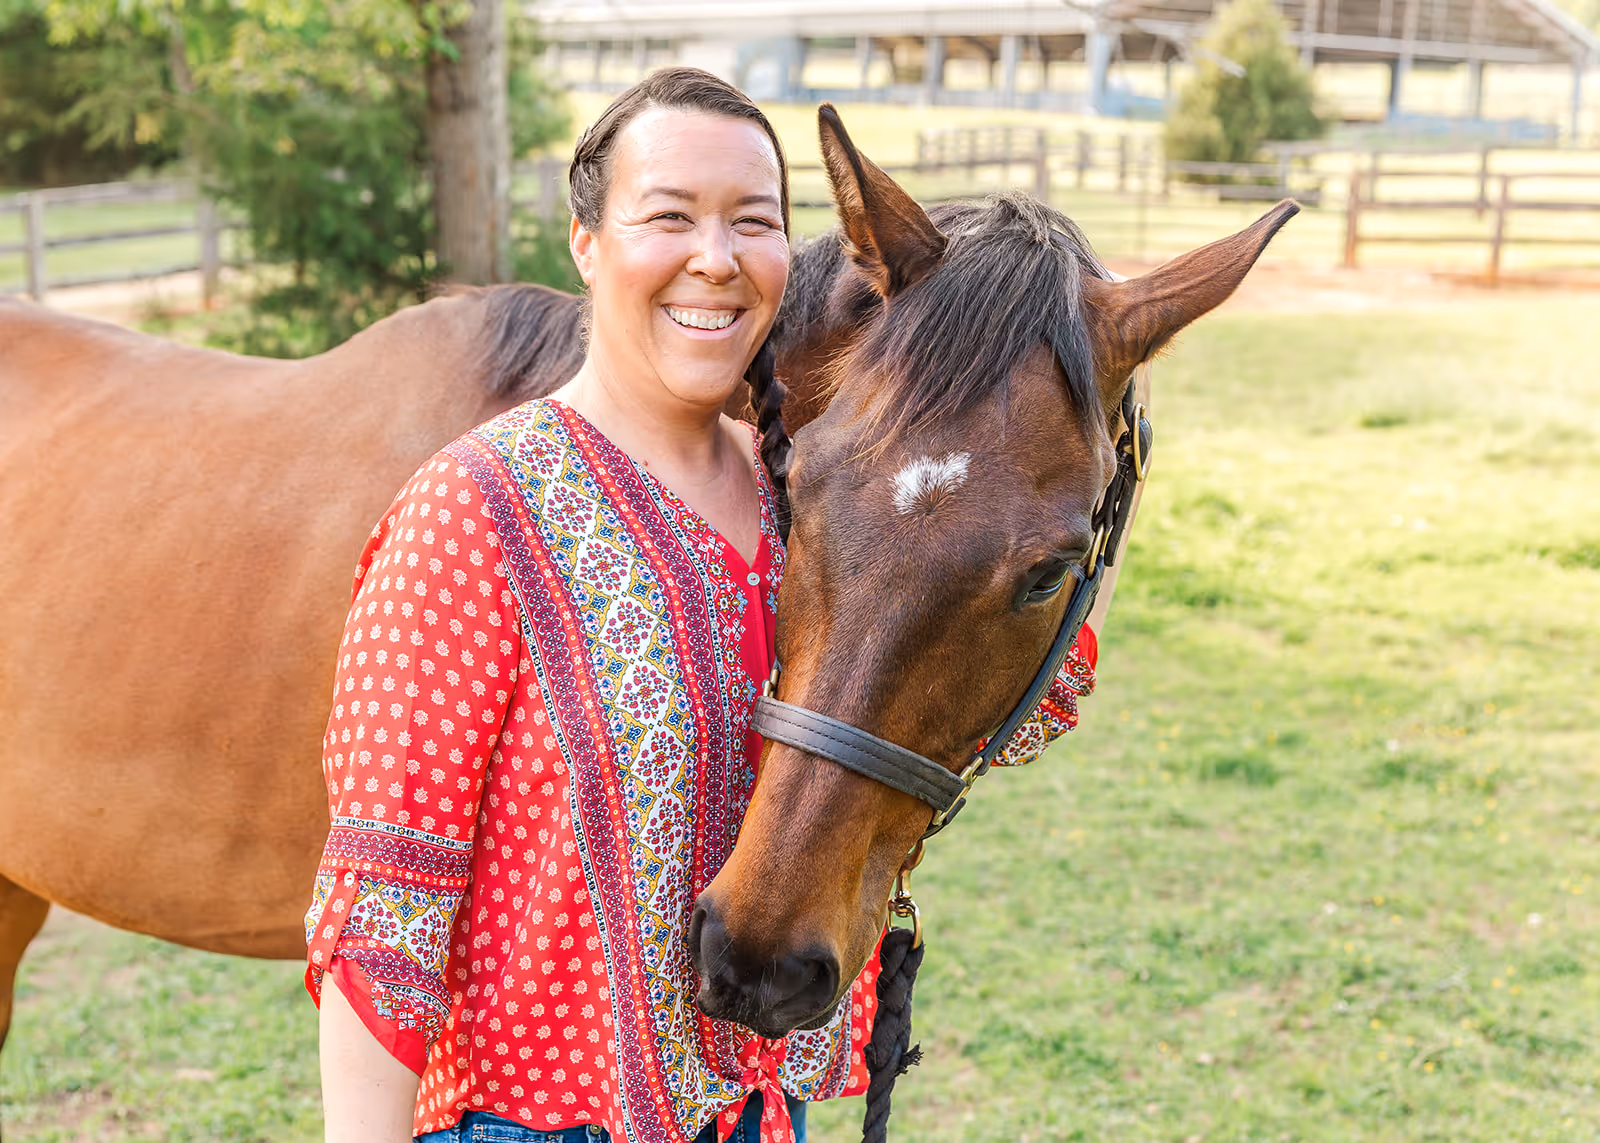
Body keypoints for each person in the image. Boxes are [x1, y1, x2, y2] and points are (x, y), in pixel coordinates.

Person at [304, 67, 1108, 1143]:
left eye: (755, 221)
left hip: (757, 1114)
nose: (717, 258)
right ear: (588, 243)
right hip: (533, 1125)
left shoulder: (808, 493)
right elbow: (386, 913)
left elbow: (1001, 704)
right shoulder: (480, 508)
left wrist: (1048, 518)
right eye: (669, 216)